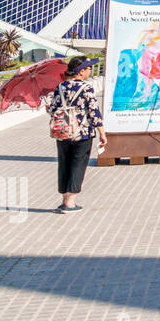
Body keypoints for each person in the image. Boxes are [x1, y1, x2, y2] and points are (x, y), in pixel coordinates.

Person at [46, 56, 108, 213]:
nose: (90, 71)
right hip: (82, 133)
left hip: (63, 131)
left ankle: (64, 199)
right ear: (81, 72)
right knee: (78, 165)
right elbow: (93, 112)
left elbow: (53, 110)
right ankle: (70, 203)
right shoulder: (86, 88)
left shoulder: (60, 87)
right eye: (88, 68)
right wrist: (102, 133)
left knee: (64, 163)